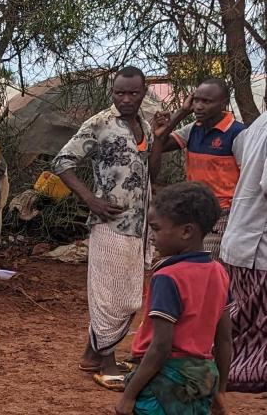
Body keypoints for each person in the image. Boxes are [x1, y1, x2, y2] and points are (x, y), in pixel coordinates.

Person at [52, 66, 153, 390]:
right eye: (119, 93)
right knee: (113, 297)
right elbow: (62, 162)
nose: (125, 99)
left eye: (132, 93)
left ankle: (92, 355)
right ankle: (107, 362)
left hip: (138, 225)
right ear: (112, 93)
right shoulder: (99, 123)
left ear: (143, 92)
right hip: (109, 224)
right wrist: (91, 199)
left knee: (128, 292)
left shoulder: (144, 126)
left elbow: (154, 169)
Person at [116, 182, 232, 415]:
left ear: (186, 231)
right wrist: (219, 390)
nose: (152, 237)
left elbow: (160, 347)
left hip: (165, 379)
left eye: (156, 229)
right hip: (201, 378)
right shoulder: (219, 272)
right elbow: (224, 340)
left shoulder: (168, 277)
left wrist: (128, 396)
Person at [149, 78, 248, 260]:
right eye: (196, 100)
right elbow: (158, 144)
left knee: (208, 259)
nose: (199, 106)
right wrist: (181, 113)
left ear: (224, 103)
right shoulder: (193, 129)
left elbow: (247, 178)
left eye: (207, 101)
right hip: (195, 210)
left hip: (224, 213)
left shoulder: (237, 134)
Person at [219, 114, 267, 393]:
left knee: (243, 318)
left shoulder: (258, 123)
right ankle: (243, 374)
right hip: (257, 243)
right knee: (254, 322)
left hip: (245, 236)